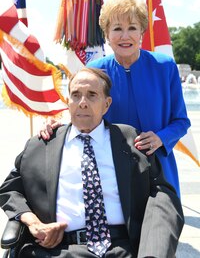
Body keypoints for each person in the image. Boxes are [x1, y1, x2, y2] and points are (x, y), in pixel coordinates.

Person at [0, 68, 184, 258]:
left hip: (124, 248)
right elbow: (10, 189)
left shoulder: (131, 141)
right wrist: (32, 222)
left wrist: (152, 252)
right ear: (68, 102)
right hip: (59, 250)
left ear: (107, 104)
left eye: (92, 95)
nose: (82, 103)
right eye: (76, 95)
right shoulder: (42, 144)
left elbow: (163, 196)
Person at [40, 0, 190, 198]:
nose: (125, 36)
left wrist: (160, 138)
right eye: (117, 29)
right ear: (107, 35)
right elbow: (83, 114)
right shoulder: (94, 71)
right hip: (110, 175)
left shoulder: (165, 67)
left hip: (160, 171)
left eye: (132, 28)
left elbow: (181, 121)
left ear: (142, 33)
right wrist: (56, 126)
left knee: (162, 226)